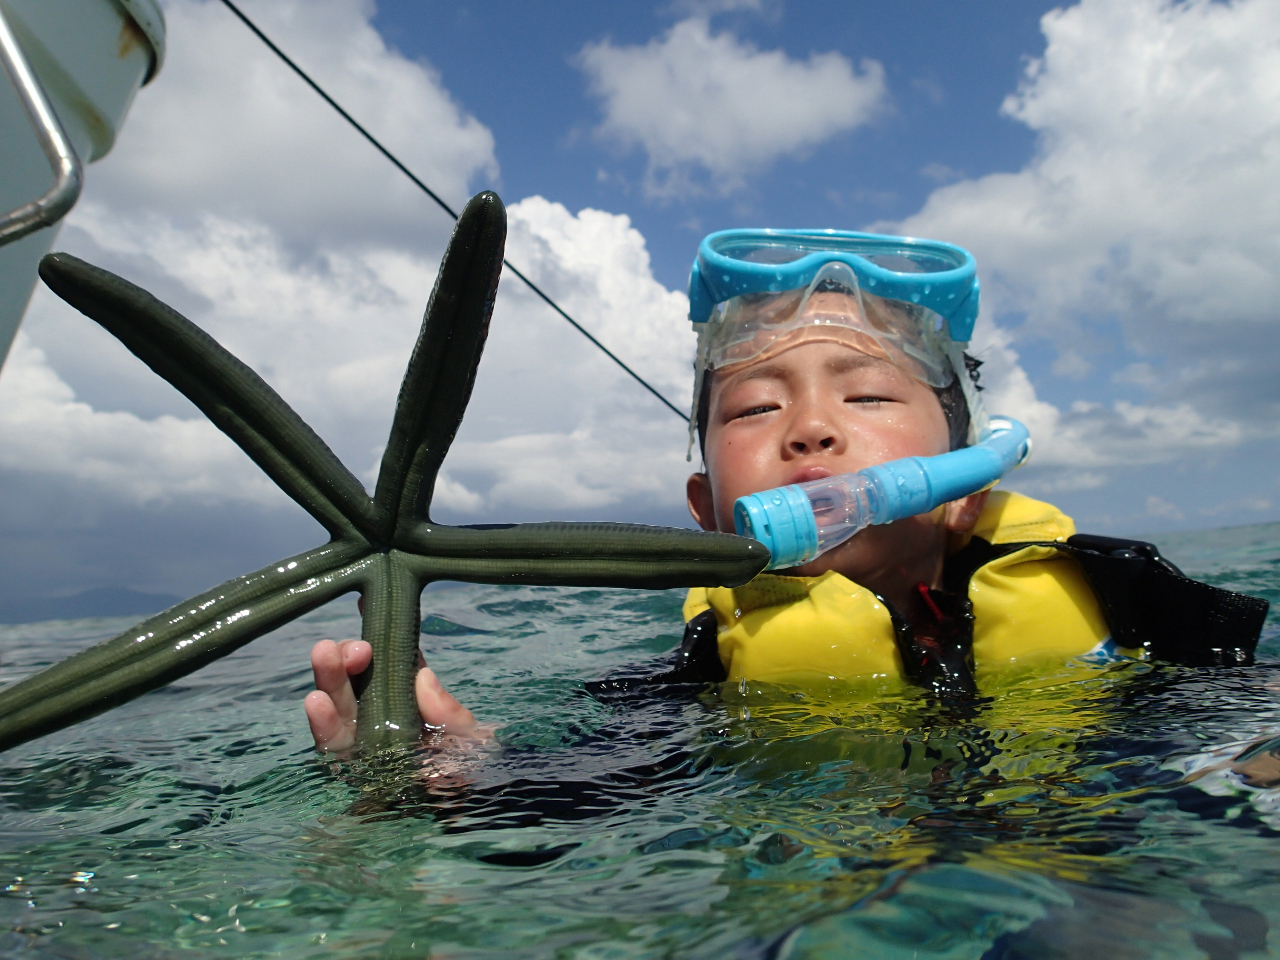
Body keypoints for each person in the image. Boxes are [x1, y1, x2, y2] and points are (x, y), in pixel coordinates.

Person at [306, 228, 1266, 751]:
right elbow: (576, 804)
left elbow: (1246, 718)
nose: (809, 428)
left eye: (869, 394)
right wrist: (449, 767)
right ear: (704, 512)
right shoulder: (700, 685)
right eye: (753, 410)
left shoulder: (1120, 597)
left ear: (967, 490)